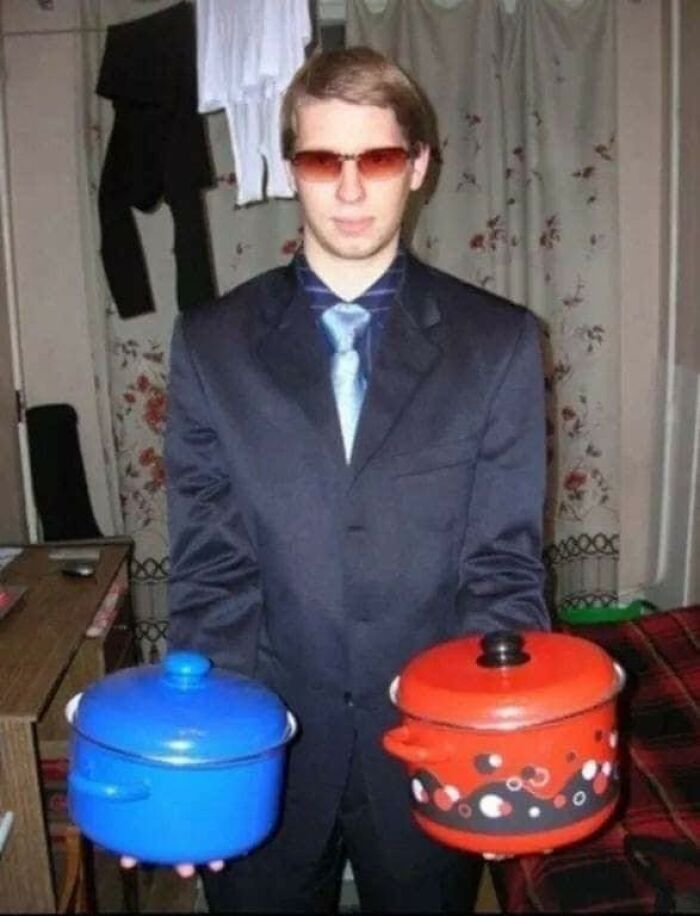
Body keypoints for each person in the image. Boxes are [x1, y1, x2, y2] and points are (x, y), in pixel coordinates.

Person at [162, 46, 550, 914]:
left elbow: (504, 572)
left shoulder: (499, 345)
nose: (347, 190)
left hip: (428, 748)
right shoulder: (211, 346)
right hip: (265, 750)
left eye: (374, 159)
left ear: (416, 166)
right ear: (290, 167)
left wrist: (503, 738)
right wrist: (203, 760)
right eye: (319, 160)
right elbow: (209, 572)